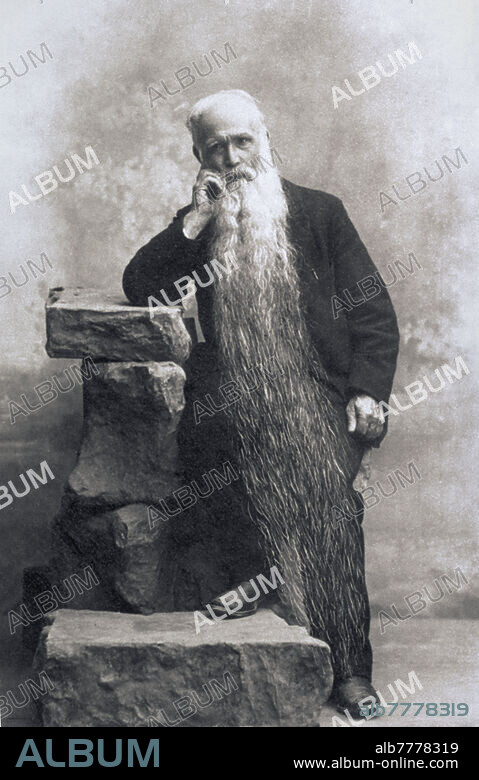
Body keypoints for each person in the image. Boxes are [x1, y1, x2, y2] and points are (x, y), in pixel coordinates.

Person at [122, 89, 400, 717]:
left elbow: (374, 315)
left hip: (313, 397)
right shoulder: (200, 225)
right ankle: (264, 659)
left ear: (265, 139)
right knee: (228, 503)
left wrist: (365, 390)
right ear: (199, 157)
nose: (232, 156)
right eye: (215, 147)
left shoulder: (320, 214)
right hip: (229, 406)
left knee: (328, 504)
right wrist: (193, 220)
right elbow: (140, 285)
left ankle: (349, 669)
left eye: (242, 140)